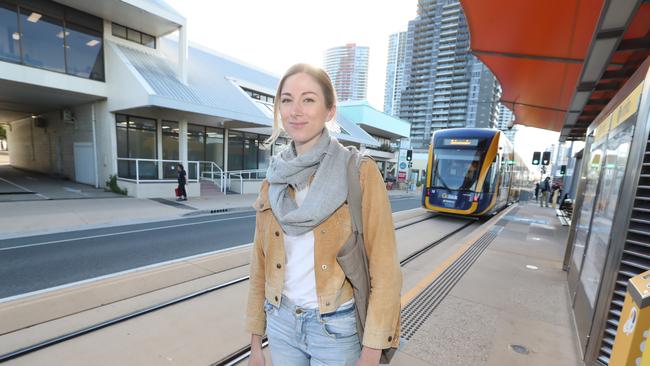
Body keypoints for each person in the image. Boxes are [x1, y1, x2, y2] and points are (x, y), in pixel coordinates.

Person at [245, 64, 402, 366]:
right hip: (281, 321)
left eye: (308, 99)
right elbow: (259, 265)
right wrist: (255, 342)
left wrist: (371, 351)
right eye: (287, 100)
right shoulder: (274, 179)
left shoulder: (359, 172)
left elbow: (385, 269)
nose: (295, 110)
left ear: (330, 111)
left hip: (336, 329)